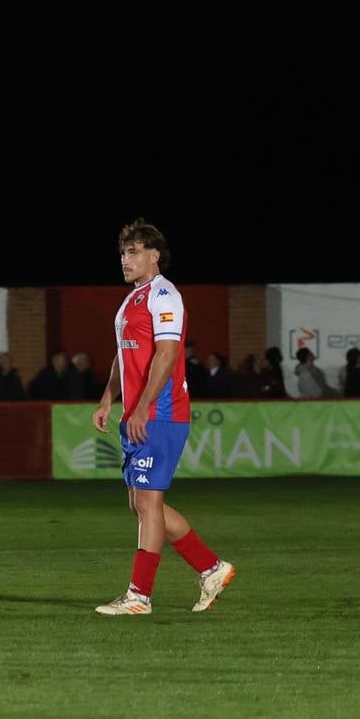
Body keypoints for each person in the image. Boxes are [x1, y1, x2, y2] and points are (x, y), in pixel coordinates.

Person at [90, 220, 235, 616]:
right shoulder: (131, 300)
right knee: (141, 503)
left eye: (133, 252)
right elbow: (124, 355)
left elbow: (167, 356)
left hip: (161, 413)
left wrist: (141, 408)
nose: (125, 259)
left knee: (149, 502)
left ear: (154, 255)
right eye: (123, 252)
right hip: (139, 414)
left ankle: (139, 595)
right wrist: (107, 399)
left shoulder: (164, 295)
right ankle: (211, 567)